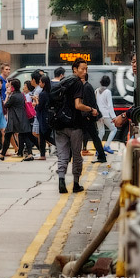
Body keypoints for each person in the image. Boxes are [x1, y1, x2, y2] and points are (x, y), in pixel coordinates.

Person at [54, 58, 98, 194]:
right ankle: (76, 184)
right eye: (82, 69)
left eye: (86, 69)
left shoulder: (64, 81)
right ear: (75, 69)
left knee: (62, 155)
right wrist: (91, 109)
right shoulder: (78, 83)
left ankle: (61, 181)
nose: (85, 72)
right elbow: (78, 105)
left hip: (60, 123)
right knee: (76, 155)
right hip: (74, 124)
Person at [80, 66, 108, 163]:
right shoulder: (86, 86)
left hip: (88, 116)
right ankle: (101, 156)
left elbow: (90, 102)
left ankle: (102, 156)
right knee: (91, 136)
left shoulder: (87, 87)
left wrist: (89, 114)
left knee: (93, 136)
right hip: (87, 115)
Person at [95, 74, 117, 154]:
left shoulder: (96, 91)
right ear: (108, 83)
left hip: (98, 114)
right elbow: (110, 105)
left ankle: (98, 150)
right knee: (114, 129)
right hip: (106, 114)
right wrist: (114, 117)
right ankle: (107, 145)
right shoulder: (108, 92)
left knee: (101, 132)